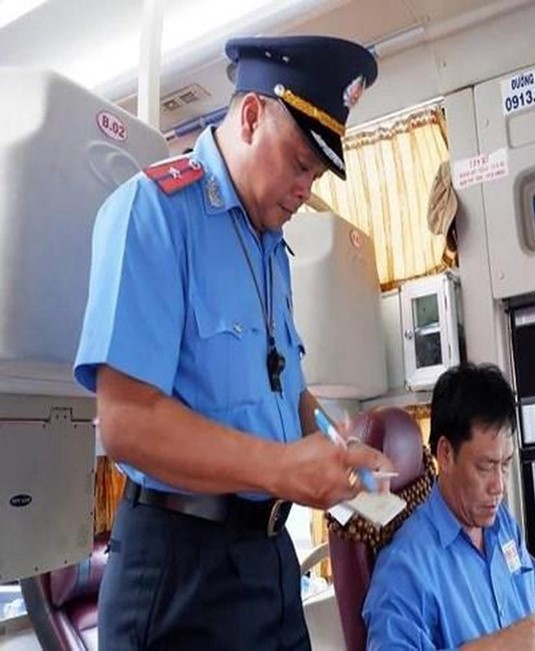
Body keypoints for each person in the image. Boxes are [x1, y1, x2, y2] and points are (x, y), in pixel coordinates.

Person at [73, 35, 393, 650]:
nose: (306, 189)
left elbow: (287, 389)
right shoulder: (154, 212)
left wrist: (337, 444)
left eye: (317, 174)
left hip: (266, 562)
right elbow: (125, 423)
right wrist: (282, 469)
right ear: (250, 116)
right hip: (178, 570)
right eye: (301, 164)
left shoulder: (271, 245)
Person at [363, 363, 535, 650]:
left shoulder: (501, 525)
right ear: (445, 454)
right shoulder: (406, 566)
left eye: (505, 465)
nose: (499, 487)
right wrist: (495, 646)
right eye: (485, 466)